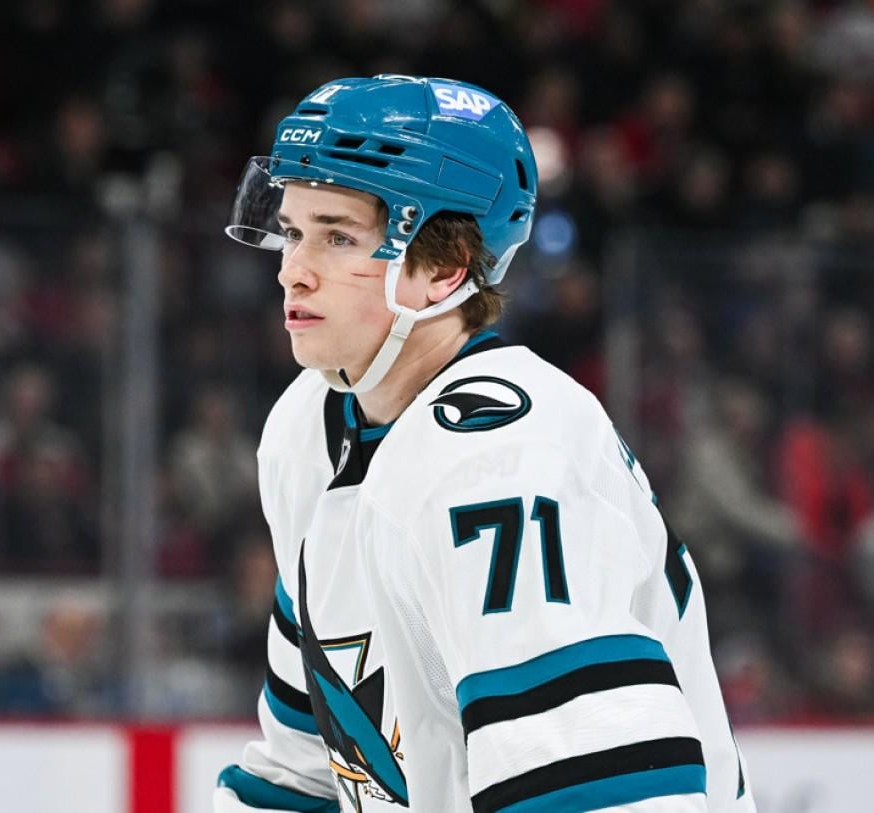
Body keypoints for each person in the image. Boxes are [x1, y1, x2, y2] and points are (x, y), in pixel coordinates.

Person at [214, 75, 754, 812]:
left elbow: (593, 797)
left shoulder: (502, 460)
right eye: (294, 230)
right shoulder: (305, 428)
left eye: (338, 237)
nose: (292, 270)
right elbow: (307, 771)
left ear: (445, 269)